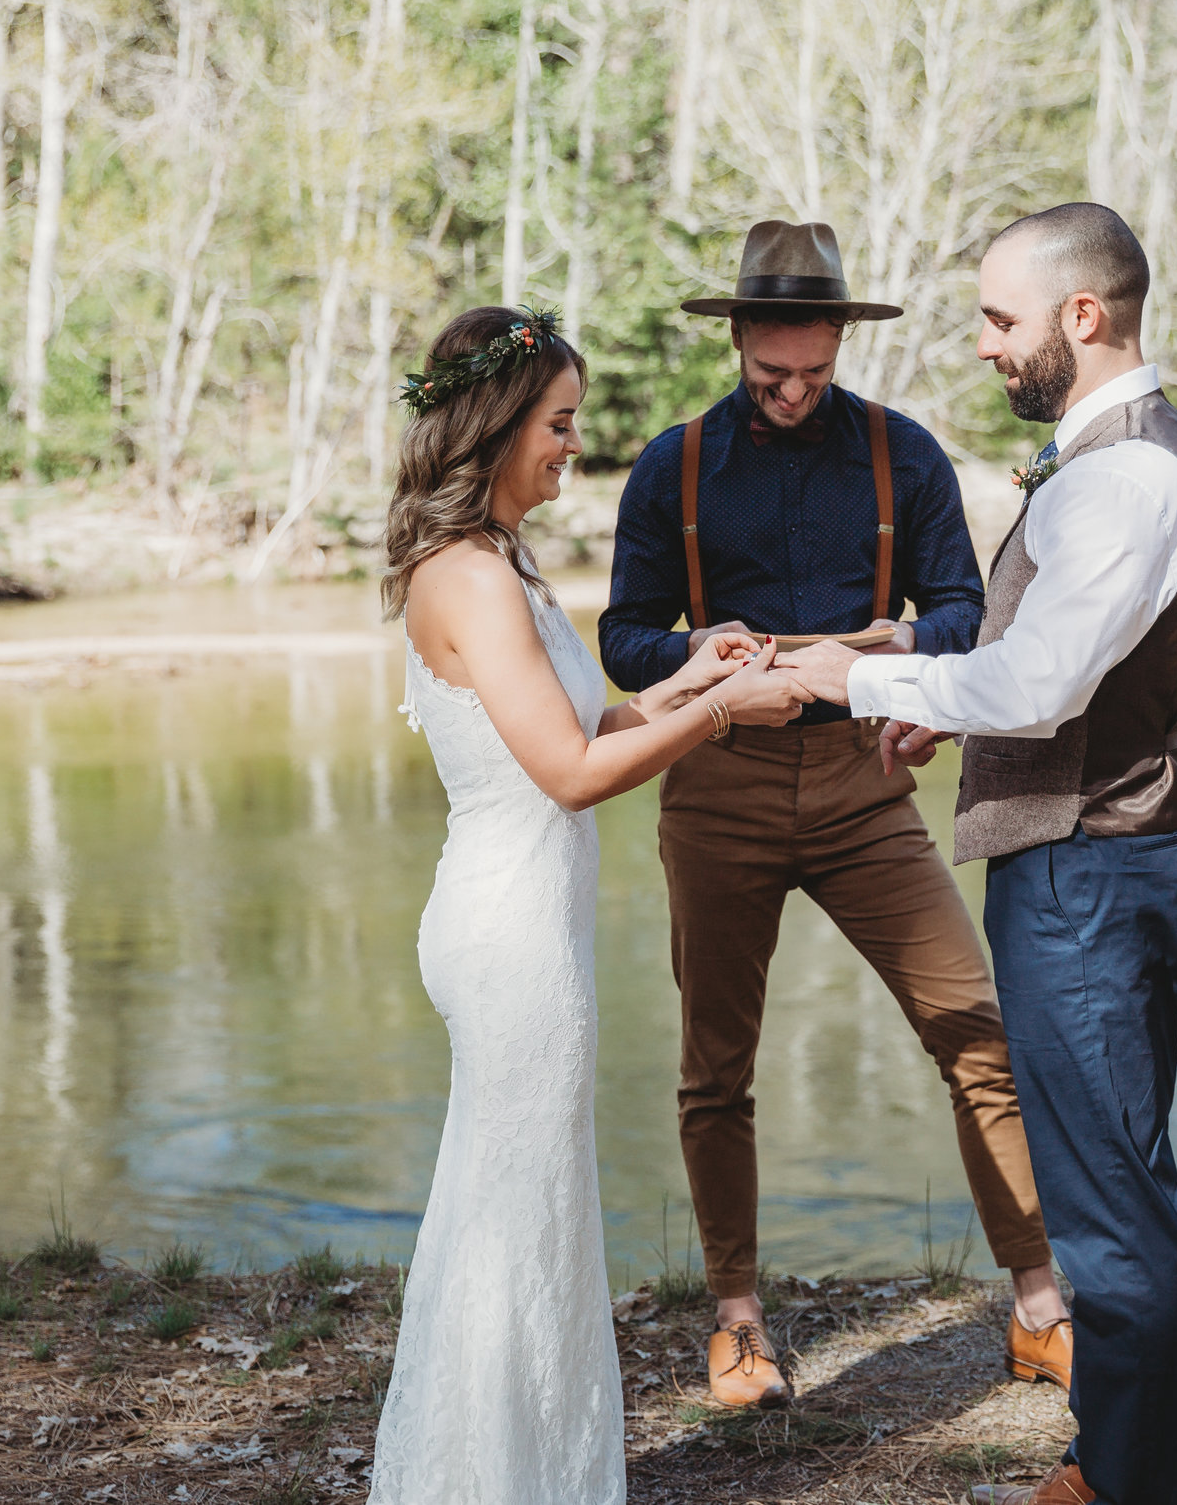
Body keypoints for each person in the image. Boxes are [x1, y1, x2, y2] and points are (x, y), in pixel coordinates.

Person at [783, 204, 1177, 1505]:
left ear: (1082, 317)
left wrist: (857, 675)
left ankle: (1131, 1484)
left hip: (1089, 864)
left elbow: (1037, 684)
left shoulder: (1128, 473)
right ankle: (1117, 1459)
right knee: (1108, 1174)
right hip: (1091, 854)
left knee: (1106, 1201)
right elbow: (1048, 668)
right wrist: (939, 699)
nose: (984, 345)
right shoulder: (1111, 453)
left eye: (998, 317)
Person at [598, 219, 1071, 1410]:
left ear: (837, 344)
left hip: (866, 785)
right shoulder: (673, 464)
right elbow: (622, 637)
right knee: (717, 1068)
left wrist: (902, 640)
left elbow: (966, 607)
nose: (796, 392)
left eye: (815, 371)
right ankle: (740, 1321)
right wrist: (695, 649)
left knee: (975, 1032)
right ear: (742, 343)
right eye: (773, 375)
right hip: (717, 784)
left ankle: (1039, 1305)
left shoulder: (899, 455)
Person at [366, 305, 808, 1505]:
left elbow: (583, 725)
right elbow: (566, 777)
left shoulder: (505, 559)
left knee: (530, 1211)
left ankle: (527, 1472)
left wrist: (690, 671)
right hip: (507, 931)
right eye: (559, 422)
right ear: (498, 425)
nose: (574, 443)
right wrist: (722, 717)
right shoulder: (463, 573)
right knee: (512, 1220)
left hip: (529, 918)